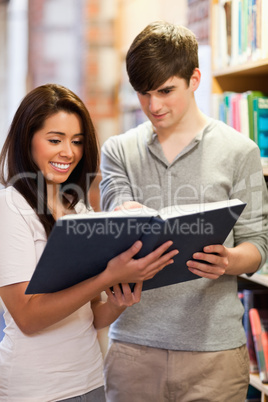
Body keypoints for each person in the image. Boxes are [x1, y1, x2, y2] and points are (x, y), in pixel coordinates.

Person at [100, 21, 268, 402]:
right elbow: (113, 202)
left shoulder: (240, 152)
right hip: (133, 349)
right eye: (143, 93)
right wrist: (123, 210)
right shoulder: (118, 151)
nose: (153, 106)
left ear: (194, 79)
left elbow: (259, 244)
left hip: (214, 355)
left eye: (165, 91)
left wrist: (229, 260)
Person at [0, 83, 178, 402]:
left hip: (90, 381)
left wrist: (116, 301)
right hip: (36, 390)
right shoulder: (10, 208)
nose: (68, 152)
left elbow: (91, 315)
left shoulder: (78, 207)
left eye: (77, 141)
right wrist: (108, 276)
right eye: (55, 139)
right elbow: (27, 317)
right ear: (28, 140)